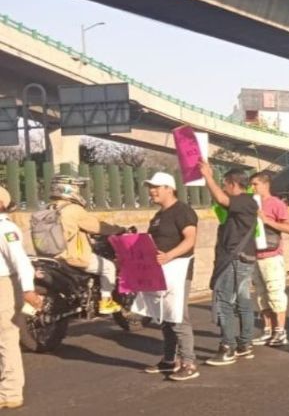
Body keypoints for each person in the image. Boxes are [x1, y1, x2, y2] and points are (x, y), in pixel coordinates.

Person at [141, 172, 199, 381]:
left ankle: (189, 362)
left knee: (178, 316)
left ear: (169, 188)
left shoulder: (182, 211)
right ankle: (169, 359)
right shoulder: (158, 216)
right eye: (150, 187)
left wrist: (169, 256)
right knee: (165, 316)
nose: (152, 190)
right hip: (161, 271)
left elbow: (190, 239)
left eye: (156, 186)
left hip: (178, 270)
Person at [200, 163, 259, 366]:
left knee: (224, 302)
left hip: (235, 259)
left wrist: (208, 177)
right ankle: (245, 344)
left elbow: (221, 198)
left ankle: (227, 347)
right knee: (242, 302)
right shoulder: (248, 203)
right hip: (243, 259)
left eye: (225, 184)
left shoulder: (245, 201)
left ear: (233, 184)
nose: (223, 187)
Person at [48, 175, 127, 315]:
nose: (79, 192)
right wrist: (119, 230)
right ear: (69, 189)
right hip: (72, 256)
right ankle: (106, 301)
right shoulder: (72, 209)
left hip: (51, 257)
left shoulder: (48, 208)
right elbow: (97, 227)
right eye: (77, 188)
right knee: (108, 267)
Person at [0, 186, 43, 410]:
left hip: (5, 285)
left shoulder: (5, 229)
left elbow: (21, 261)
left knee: (6, 337)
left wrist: (28, 290)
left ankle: (10, 392)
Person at [250, 172, 289, 347]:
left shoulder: (276, 204)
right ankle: (267, 329)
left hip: (272, 256)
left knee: (275, 293)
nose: (253, 188)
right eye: (251, 184)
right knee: (262, 295)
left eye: (256, 184)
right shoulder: (252, 204)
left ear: (265, 185)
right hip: (255, 254)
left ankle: (280, 330)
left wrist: (267, 221)